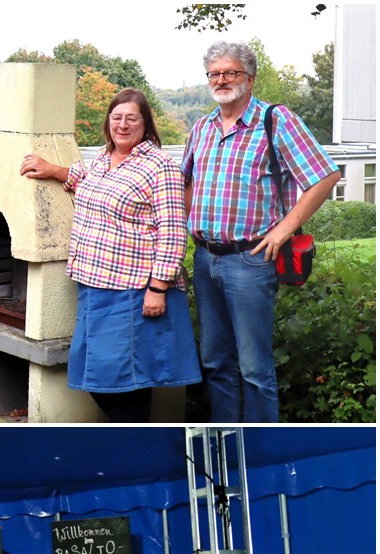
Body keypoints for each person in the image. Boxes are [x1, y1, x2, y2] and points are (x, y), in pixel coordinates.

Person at [181, 41, 340, 423]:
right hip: (205, 258)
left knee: (254, 369)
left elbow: (325, 175)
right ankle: (226, 440)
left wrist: (283, 230)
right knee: (216, 363)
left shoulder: (275, 120)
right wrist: (187, 229)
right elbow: (184, 182)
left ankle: (262, 448)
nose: (222, 80)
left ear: (249, 78)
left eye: (231, 72)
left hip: (251, 261)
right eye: (215, 74)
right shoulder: (201, 128)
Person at [21, 89, 200, 422]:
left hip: (132, 292)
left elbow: (174, 231)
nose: (122, 124)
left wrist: (158, 287)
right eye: (116, 117)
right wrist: (53, 169)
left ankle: (138, 441)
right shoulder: (103, 160)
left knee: (122, 380)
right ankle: (134, 437)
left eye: (132, 118)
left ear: (146, 123)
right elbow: (87, 180)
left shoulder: (159, 166)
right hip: (94, 288)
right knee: (105, 376)